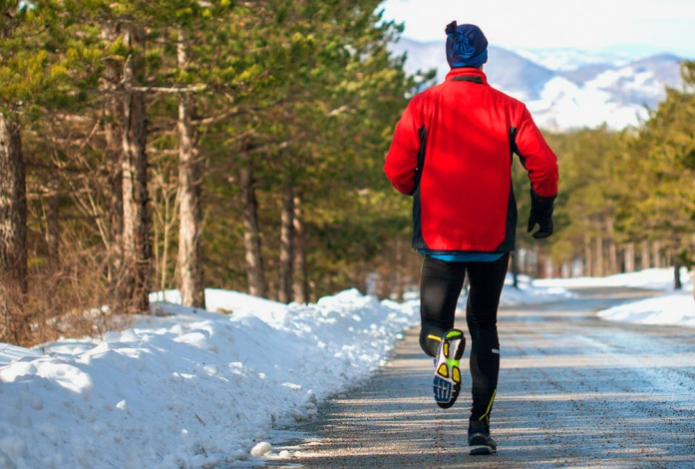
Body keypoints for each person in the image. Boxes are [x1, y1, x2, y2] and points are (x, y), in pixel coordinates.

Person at [384, 21, 559, 455]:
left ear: (449, 58)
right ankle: (479, 429)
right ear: (483, 58)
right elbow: (545, 165)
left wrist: (414, 188)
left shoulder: (422, 106)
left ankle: (444, 345)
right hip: (491, 240)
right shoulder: (510, 108)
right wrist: (543, 208)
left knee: (433, 325)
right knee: (485, 325)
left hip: (440, 237)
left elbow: (397, 170)